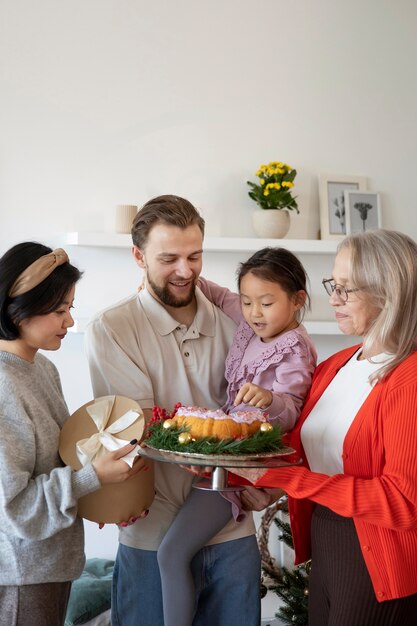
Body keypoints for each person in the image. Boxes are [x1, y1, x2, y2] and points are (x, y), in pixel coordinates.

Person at [85, 194, 281, 626]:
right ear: (138, 256)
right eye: (169, 258)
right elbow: (140, 430)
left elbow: (271, 419)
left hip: (233, 530)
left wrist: (266, 481)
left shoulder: (240, 325)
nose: (185, 270)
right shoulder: (112, 329)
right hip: (152, 535)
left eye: (195, 256)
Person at [230, 229, 417, 626]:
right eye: (334, 284)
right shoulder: (336, 365)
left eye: (346, 289)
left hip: (376, 558)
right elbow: (301, 452)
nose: (332, 298)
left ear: (388, 292)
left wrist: (292, 480)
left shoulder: (409, 376)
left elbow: (401, 502)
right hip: (327, 544)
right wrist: (245, 478)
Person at [156, 247, 317, 626]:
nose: (253, 312)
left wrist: (270, 398)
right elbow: (215, 293)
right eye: (247, 301)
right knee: (175, 552)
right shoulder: (249, 323)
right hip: (224, 454)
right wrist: (174, 277)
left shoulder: (295, 350)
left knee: (171, 554)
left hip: (244, 469)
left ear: (297, 301)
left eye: (265, 303)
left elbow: (292, 408)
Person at [0, 242, 147, 626]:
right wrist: (92, 476)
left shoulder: (42, 369)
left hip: (51, 564)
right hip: (21, 573)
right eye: (58, 311)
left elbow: (61, 462)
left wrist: (113, 496)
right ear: (17, 309)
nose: (69, 322)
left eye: (71, 309)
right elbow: (14, 506)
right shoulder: (2, 384)